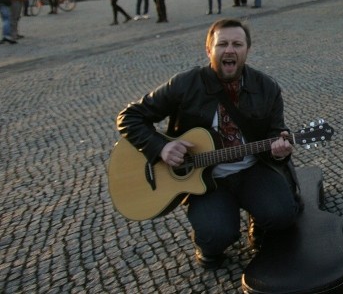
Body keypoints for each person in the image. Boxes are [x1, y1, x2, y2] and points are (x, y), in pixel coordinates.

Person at [115, 19, 301, 269]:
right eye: (222, 44)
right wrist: (160, 147)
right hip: (205, 182)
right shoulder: (185, 84)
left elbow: (277, 132)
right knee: (215, 237)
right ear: (208, 50)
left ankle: (257, 219)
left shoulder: (267, 88)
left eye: (237, 44)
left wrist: (281, 151)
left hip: (251, 170)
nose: (230, 50)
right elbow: (129, 117)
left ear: (247, 49)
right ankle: (210, 238)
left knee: (283, 216)